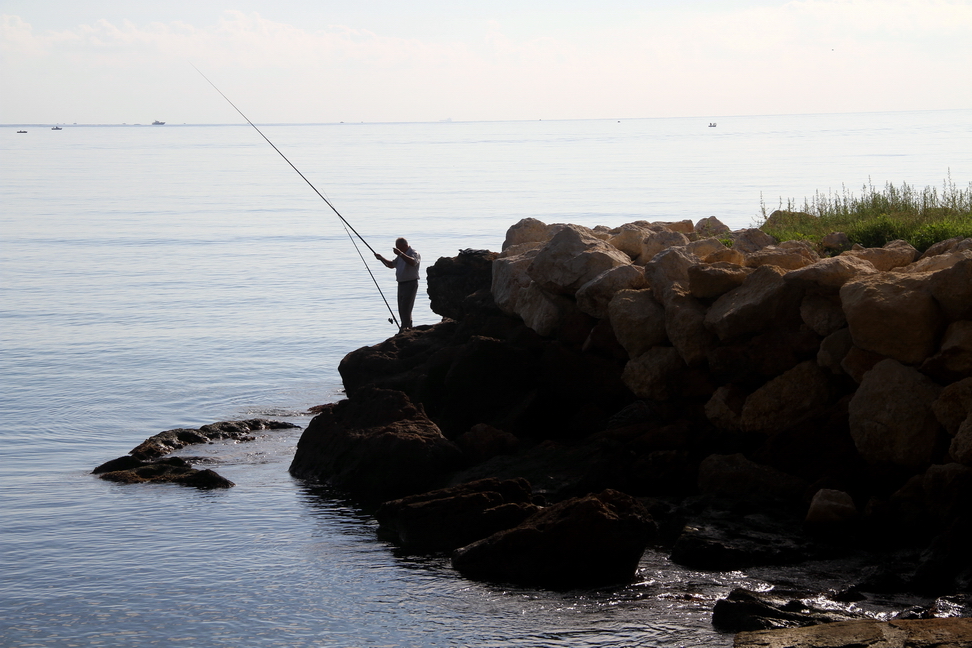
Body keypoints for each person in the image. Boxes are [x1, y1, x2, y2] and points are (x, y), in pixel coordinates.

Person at [375, 237, 421, 332]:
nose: (398, 250)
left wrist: (400, 254)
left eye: (399, 248)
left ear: (405, 245)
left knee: (406, 308)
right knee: (401, 308)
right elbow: (391, 265)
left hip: (410, 283)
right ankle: (407, 328)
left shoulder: (413, 253)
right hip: (401, 284)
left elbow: (413, 262)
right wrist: (381, 258)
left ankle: (405, 328)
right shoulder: (401, 255)